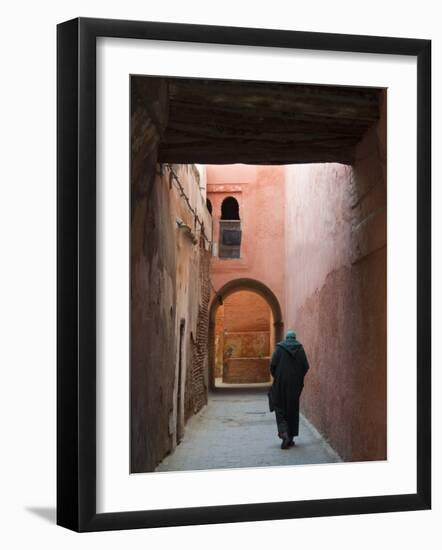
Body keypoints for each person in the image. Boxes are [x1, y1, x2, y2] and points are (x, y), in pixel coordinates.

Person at [269, 330, 310, 449]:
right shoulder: (300, 349)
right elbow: (305, 367)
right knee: (292, 410)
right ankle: (291, 438)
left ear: (286, 338)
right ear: (294, 338)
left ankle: (284, 433)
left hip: (280, 385)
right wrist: (298, 378)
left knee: (279, 408)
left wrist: (277, 377)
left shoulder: (279, 348)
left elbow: (272, 365)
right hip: (295, 386)